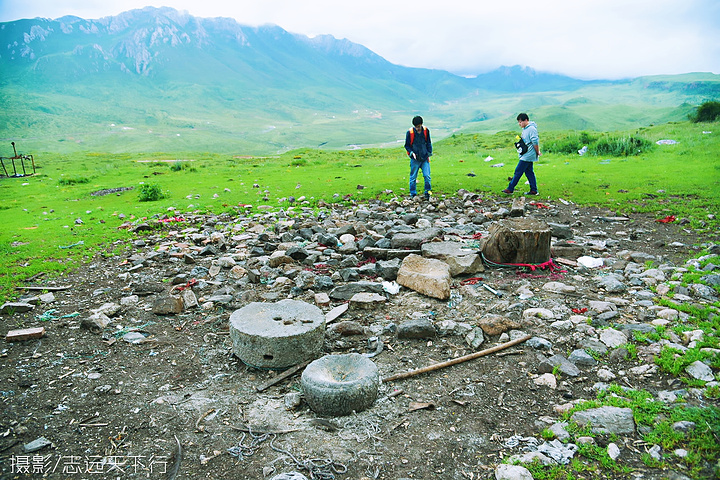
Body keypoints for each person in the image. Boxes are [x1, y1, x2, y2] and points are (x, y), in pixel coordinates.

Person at [503, 113, 540, 195]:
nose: (519, 124)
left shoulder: (531, 129)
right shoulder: (525, 129)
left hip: (528, 154)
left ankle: (510, 188)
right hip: (526, 153)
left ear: (526, 120)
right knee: (529, 172)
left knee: (518, 171)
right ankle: (534, 190)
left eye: (521, 122)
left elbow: (535, 141)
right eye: (518, 122)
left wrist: (537, 152)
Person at [404, 115, 432, 200]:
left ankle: (427, 192)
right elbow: (407, 145)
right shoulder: (410, 133)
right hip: (415, 159)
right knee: (413, 177)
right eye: (416, 127)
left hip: (424, 158)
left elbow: (428, 143)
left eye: (419, 126)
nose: (418, 128)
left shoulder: (426, 131)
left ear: (421, 124)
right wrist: (412, 153)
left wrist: (429, 153)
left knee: (427, 176)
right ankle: (413, 194)